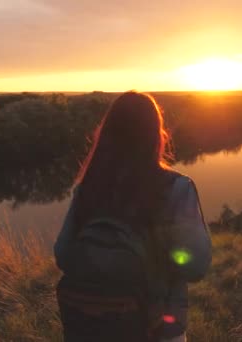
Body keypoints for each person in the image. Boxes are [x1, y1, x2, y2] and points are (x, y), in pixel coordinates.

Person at [54, 91, 211, 342]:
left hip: (88, 326)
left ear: (106, 135)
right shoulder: (176, 188)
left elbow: (62, 255)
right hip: (157, 329)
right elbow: (196, 266)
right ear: (155, 136)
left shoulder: (88, 188)